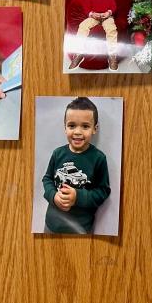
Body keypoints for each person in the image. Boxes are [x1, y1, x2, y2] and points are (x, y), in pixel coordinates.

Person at [41, 97, 111, 234]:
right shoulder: (58, 153)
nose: (78, 132)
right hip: (51, 224)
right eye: (72, 126)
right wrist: (54, 196)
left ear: (94, 129)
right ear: (65, 128)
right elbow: (47, 179)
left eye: (85, 126)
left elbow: (103, 191)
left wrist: (78, 197)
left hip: (80, 228)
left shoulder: (98, 158)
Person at [69, 0, 119, 71]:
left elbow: (113, 6)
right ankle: (78, 54)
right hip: (94, 17)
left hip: (107, 17)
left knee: (111, 30)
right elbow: (86, 8)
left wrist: (109, 12)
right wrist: (92, 14)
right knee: (83, 26)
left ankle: (112, 56)